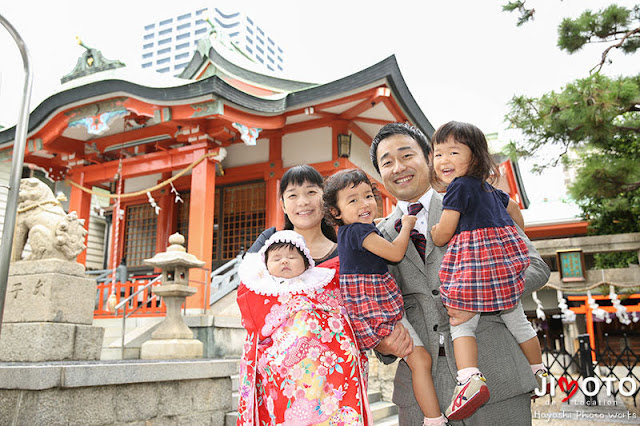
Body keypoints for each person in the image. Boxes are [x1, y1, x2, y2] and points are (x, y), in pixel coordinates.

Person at [369, 122, 550, 425]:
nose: (398, 167)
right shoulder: (376, 235)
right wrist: (381, 342)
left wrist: (478, 296)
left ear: (429, 157)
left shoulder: (476, 197)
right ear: (379, 173)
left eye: (406, 155)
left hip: (496, 376)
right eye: (387, 162)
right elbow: (372, 303)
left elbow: (536, 266)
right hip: (421, 396)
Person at [428, 121, 548, 420]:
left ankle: (469, 378)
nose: (444, 161)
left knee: (461, 322)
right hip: (504, 271)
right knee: (519, 322)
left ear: (476, 158)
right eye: (438, 153)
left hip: (475, 270)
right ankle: (538, 371)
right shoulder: (490, 191)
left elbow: (444, 231)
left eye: (453, 152)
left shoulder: (457, 188)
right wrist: (513, 234)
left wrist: (435, 232)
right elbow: (515, 210)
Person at [323, 168, 450, 426]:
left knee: (420, 361)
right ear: (336, 212)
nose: (365, 203)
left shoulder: (356, 232)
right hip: (375, 305)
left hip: (378, 302)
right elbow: (394, 253)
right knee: (421, 361)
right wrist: (406, 226)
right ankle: (434, 419)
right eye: (353, 200)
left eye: (368, 195)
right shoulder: (358, 231)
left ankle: (433, 418)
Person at [236, 230, 371, 425]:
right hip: (280, 371)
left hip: (322, 369)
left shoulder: (321, 282)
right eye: (276, 258)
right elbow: (255, 327)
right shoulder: (260, 288)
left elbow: (340, 314)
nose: (284, 261)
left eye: (292, 257)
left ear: (307, 263)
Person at [248, 164, 338, 265]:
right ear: (283, 206)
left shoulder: (345, 253)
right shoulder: (268, 241)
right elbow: (247, 275)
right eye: (292, 195)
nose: (303, 202)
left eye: (311, 192)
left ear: (325, 199)